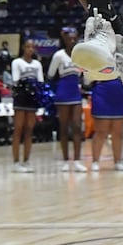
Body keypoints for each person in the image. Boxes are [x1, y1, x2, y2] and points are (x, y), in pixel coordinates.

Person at [47, 27, 85, 171]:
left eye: (75, 38)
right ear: (65, 40)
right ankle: (65, 160)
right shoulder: (59, 55)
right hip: (63, 93)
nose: (72, 41)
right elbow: (50, 75)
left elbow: (83, 76)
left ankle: (77, 160)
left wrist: (83, 84)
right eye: (70, 38)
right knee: (63, 128)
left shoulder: (81, 56)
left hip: (76, 93)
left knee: (76, 126)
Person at [9, 40, 44, 172]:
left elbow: (40, 81)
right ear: (23, 48)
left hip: (32, 99)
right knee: (18, 129)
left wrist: (36, 89)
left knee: (29, 130)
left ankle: (27, 161)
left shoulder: (37, 64)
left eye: (32, 47)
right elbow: (16, 80)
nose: (30, 49)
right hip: (21, 98)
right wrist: (27, 84)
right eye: (28, 47)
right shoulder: (17, 62)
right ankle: (16, 162)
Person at [89, 73, 123, 172]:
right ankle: (95, 161)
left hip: (120, 92)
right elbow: (87, 78)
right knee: (101, 131)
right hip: (102, 92)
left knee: (118, 132)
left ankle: (118, 161)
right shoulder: (97, 58)